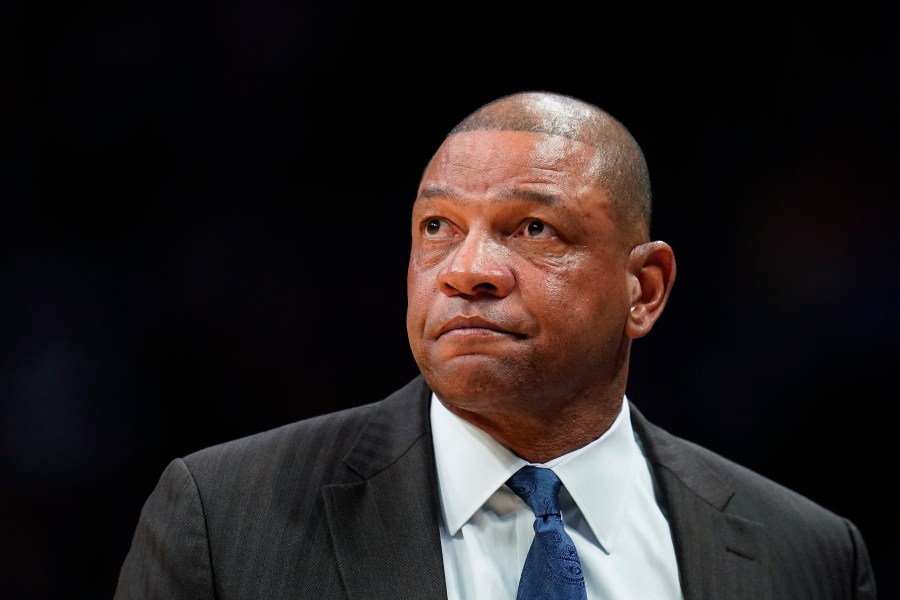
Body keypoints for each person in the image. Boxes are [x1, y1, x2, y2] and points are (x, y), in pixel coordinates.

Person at [114, 91, 877, 599]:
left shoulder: (805, 556)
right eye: (437, 228)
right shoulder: (221, 521)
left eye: (533, 228)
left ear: (643, 290)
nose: (468, 271)